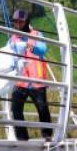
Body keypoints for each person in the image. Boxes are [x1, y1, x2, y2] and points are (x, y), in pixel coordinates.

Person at [8, 9, 53, 142]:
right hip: (21, 79)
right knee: (16, 108)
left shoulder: (37, 34)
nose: (17, 25)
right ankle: (22, 138)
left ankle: (47, 135)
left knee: (42, 107)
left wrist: (30, 46)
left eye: (20, 22)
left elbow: (43, 49)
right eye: (15, 22)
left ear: (26, 22)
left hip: (36, 79)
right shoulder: (13, 38)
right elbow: (8, 52)